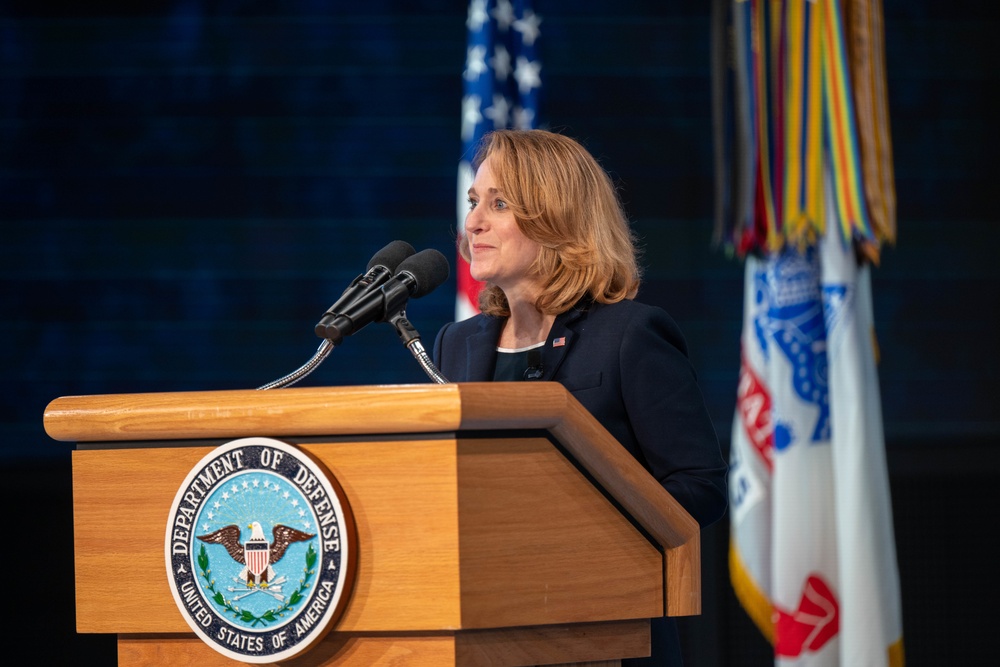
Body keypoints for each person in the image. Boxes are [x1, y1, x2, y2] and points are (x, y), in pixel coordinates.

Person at [433, 128, 727, 665]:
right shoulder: (457, 343)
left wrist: (584, 538)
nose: (473, 222)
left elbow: (699, 485)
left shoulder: (629, 336)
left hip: (607, 632)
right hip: (485, 630)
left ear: (557, 217)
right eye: (474, 202)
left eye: (499, 204)